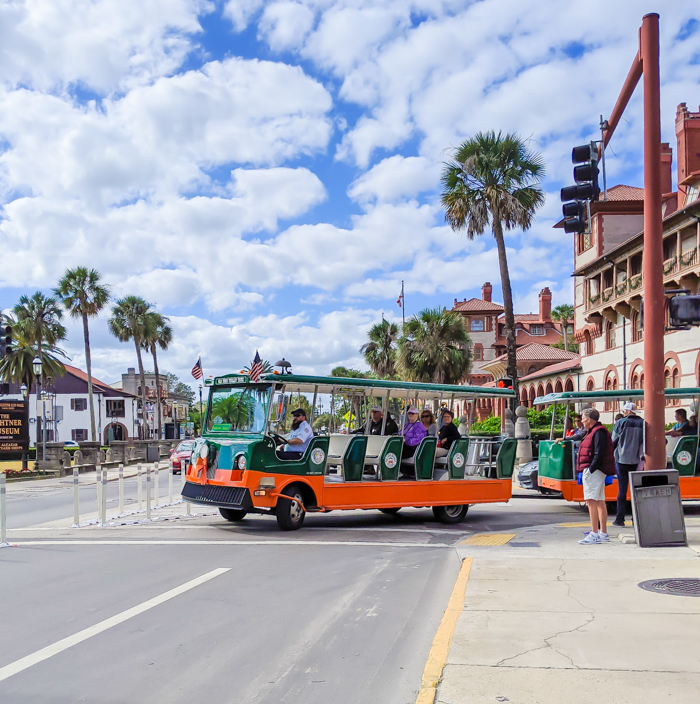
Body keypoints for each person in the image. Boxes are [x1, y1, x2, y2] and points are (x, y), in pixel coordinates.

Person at [577, 408, 616, 544]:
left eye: (582, 418)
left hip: (593, 469)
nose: (581, 421)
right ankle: (603, 532)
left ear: (588, 419)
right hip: (598, 470)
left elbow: (598, 452)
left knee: (591, 501)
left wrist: (591, 468)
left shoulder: (597, 432)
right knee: (599, 501)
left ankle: (594, 533)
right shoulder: (598, 431)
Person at [611, 402, 644, 527]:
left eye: (624, 411)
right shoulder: (643, 423)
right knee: (636, 491)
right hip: (637, 462)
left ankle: (620, 519)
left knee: (622, 491)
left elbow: (613, 441)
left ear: (627, 412)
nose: (624, 413)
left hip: (621, 460)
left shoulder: (620, 423)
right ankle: (637, 520)